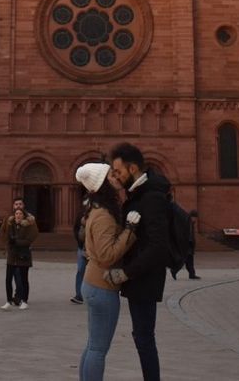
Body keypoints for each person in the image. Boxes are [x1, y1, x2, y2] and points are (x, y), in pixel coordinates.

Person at [107, 142, 171, 381]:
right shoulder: (139, 193)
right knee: (142, 337)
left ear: (132, 168)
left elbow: (158, 246)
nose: (116, 176)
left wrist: (127, 273)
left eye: (118, 171)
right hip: (139, 278)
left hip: (144, 278)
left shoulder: (151, 197)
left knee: (144, 338)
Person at [75, 162, 139, 380]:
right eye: (111, 175)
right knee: (98, 349)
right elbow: (107, 255)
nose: (116, 177)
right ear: (103, 183)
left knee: (93, 345)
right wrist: (130, 231)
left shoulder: (97, 209)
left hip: (94, 284)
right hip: (102, 286)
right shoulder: (103, 215)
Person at [0, 198, 37, 310]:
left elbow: (31, 237)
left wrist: (16, 241)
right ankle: (9, 300)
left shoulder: (30, 222)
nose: (18, 213)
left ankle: (23, 300)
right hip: (12, 254)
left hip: (23, 254)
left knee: (22, 279)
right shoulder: (9, 221)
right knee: (8, 279)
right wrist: (8, 243)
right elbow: (3, 233)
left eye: (20, 206)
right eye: (16, 205)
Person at [171, 208, 201, 280]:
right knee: (184, 260)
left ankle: (192, 274)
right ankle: (174, 270)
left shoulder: (190, 222)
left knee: (189, 261)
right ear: (192, 217)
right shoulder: (189, 223)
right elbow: (189, 234)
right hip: (187, 245)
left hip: (188, 245)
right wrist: (190, 242)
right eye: (195, 217)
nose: (196, 219)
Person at [71, 205, 88, 304]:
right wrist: (79, 242)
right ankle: (79, 295)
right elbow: (76, 228)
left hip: (93, 248)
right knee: (81, 270)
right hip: (82, 247)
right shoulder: (81, 214)